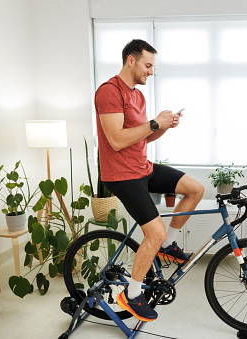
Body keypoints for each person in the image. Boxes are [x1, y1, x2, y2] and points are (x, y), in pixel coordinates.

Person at [94, 39, 204, 322]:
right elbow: (117, 140)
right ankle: (131, 294)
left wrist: (163, 126)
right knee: (154, 232)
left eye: (152, 66)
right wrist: (155, 123)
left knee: (196, 189)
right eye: (148, 65)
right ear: (131, 60)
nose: (151, 72)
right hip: (121, 176)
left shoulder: (138, 96)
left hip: (142, 167)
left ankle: (169, 246)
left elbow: (143, 134)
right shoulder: (108, 92)